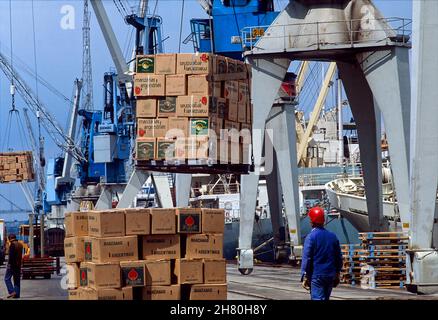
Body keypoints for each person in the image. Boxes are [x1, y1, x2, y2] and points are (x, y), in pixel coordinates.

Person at [301, 207, 343, 300]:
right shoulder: (332, 236)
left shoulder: (311, 237)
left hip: (317, 275)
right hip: (330, 275)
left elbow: (307, 258)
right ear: (323, 220)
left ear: (311, 221)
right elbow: (338, 257)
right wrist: (337, 272)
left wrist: (304, 275)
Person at [4, 234, 23, 299]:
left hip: (12, 265)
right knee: (17, 280)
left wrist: (9, 265)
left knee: (7, 278)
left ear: (10, 238)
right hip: (18, 265)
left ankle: (12, 292)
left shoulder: (12, 245)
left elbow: (11, 257)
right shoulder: (20, 244)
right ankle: (16, 295)